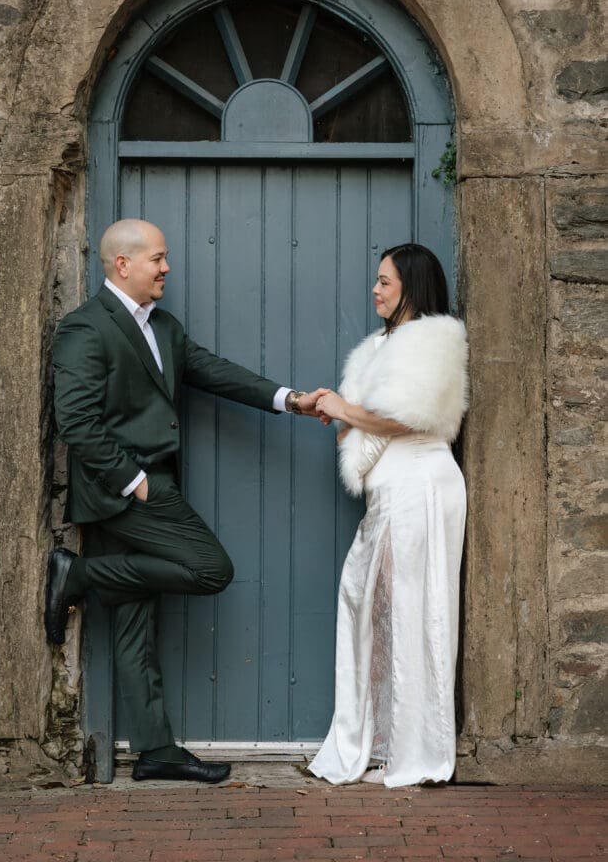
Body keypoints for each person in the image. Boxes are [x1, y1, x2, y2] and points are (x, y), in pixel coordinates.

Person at [45, 218, 328, 784]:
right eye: (158, 258)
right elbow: (75, 418)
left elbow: (215, 372)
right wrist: (135, 480)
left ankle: (156, 752)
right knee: (210, 569)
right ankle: (75, 576)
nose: (166, 267)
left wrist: (291, 399)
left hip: (142, 489)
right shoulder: (85, 327)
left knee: (132, 625)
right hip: (127, 493)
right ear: (123, 264)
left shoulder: (164, 327)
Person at [309, 243, 468, 787]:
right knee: (371, 603)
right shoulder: (380, 344)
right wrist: (342, 408)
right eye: (376, 281)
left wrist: (344, 410)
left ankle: (415, 748)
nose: (375, 290)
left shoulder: (435, 339)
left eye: (385, 282)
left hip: (420, 483)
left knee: (415, 610)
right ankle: (378, 739)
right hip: (390, 490)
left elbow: (408, 418)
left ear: (411, 287)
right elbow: (371, 415)